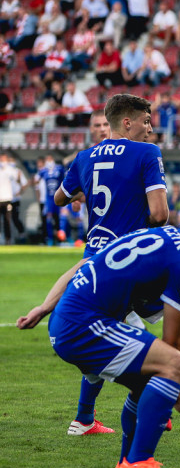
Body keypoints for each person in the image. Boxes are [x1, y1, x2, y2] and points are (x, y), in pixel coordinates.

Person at [49, 198, 180, 468]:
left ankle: (126, 465)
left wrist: (47, 305)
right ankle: (139, 462)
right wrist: (178, 396)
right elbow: (174, 342)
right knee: (173, 363)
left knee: (156, 371)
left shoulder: (159, 234)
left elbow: (86, 262)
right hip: (83, 326)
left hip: (72, 318)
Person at [18, 95, 171, 435]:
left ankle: (85, 417)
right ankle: (158, 401)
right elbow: (160, 214)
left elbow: (59, 198)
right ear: (127, 123)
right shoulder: (147, 153)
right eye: (145, 121)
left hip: (94, 261)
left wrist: (88, 191)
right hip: (129, 262)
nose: (150, 128)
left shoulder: (85, 157)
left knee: (120, 335)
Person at [0, 151, 28, 245]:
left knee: (9, 220)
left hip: (8, 198)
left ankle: (9, 239)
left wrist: (19, 191)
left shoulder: (11, 169)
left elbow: (20, 182)